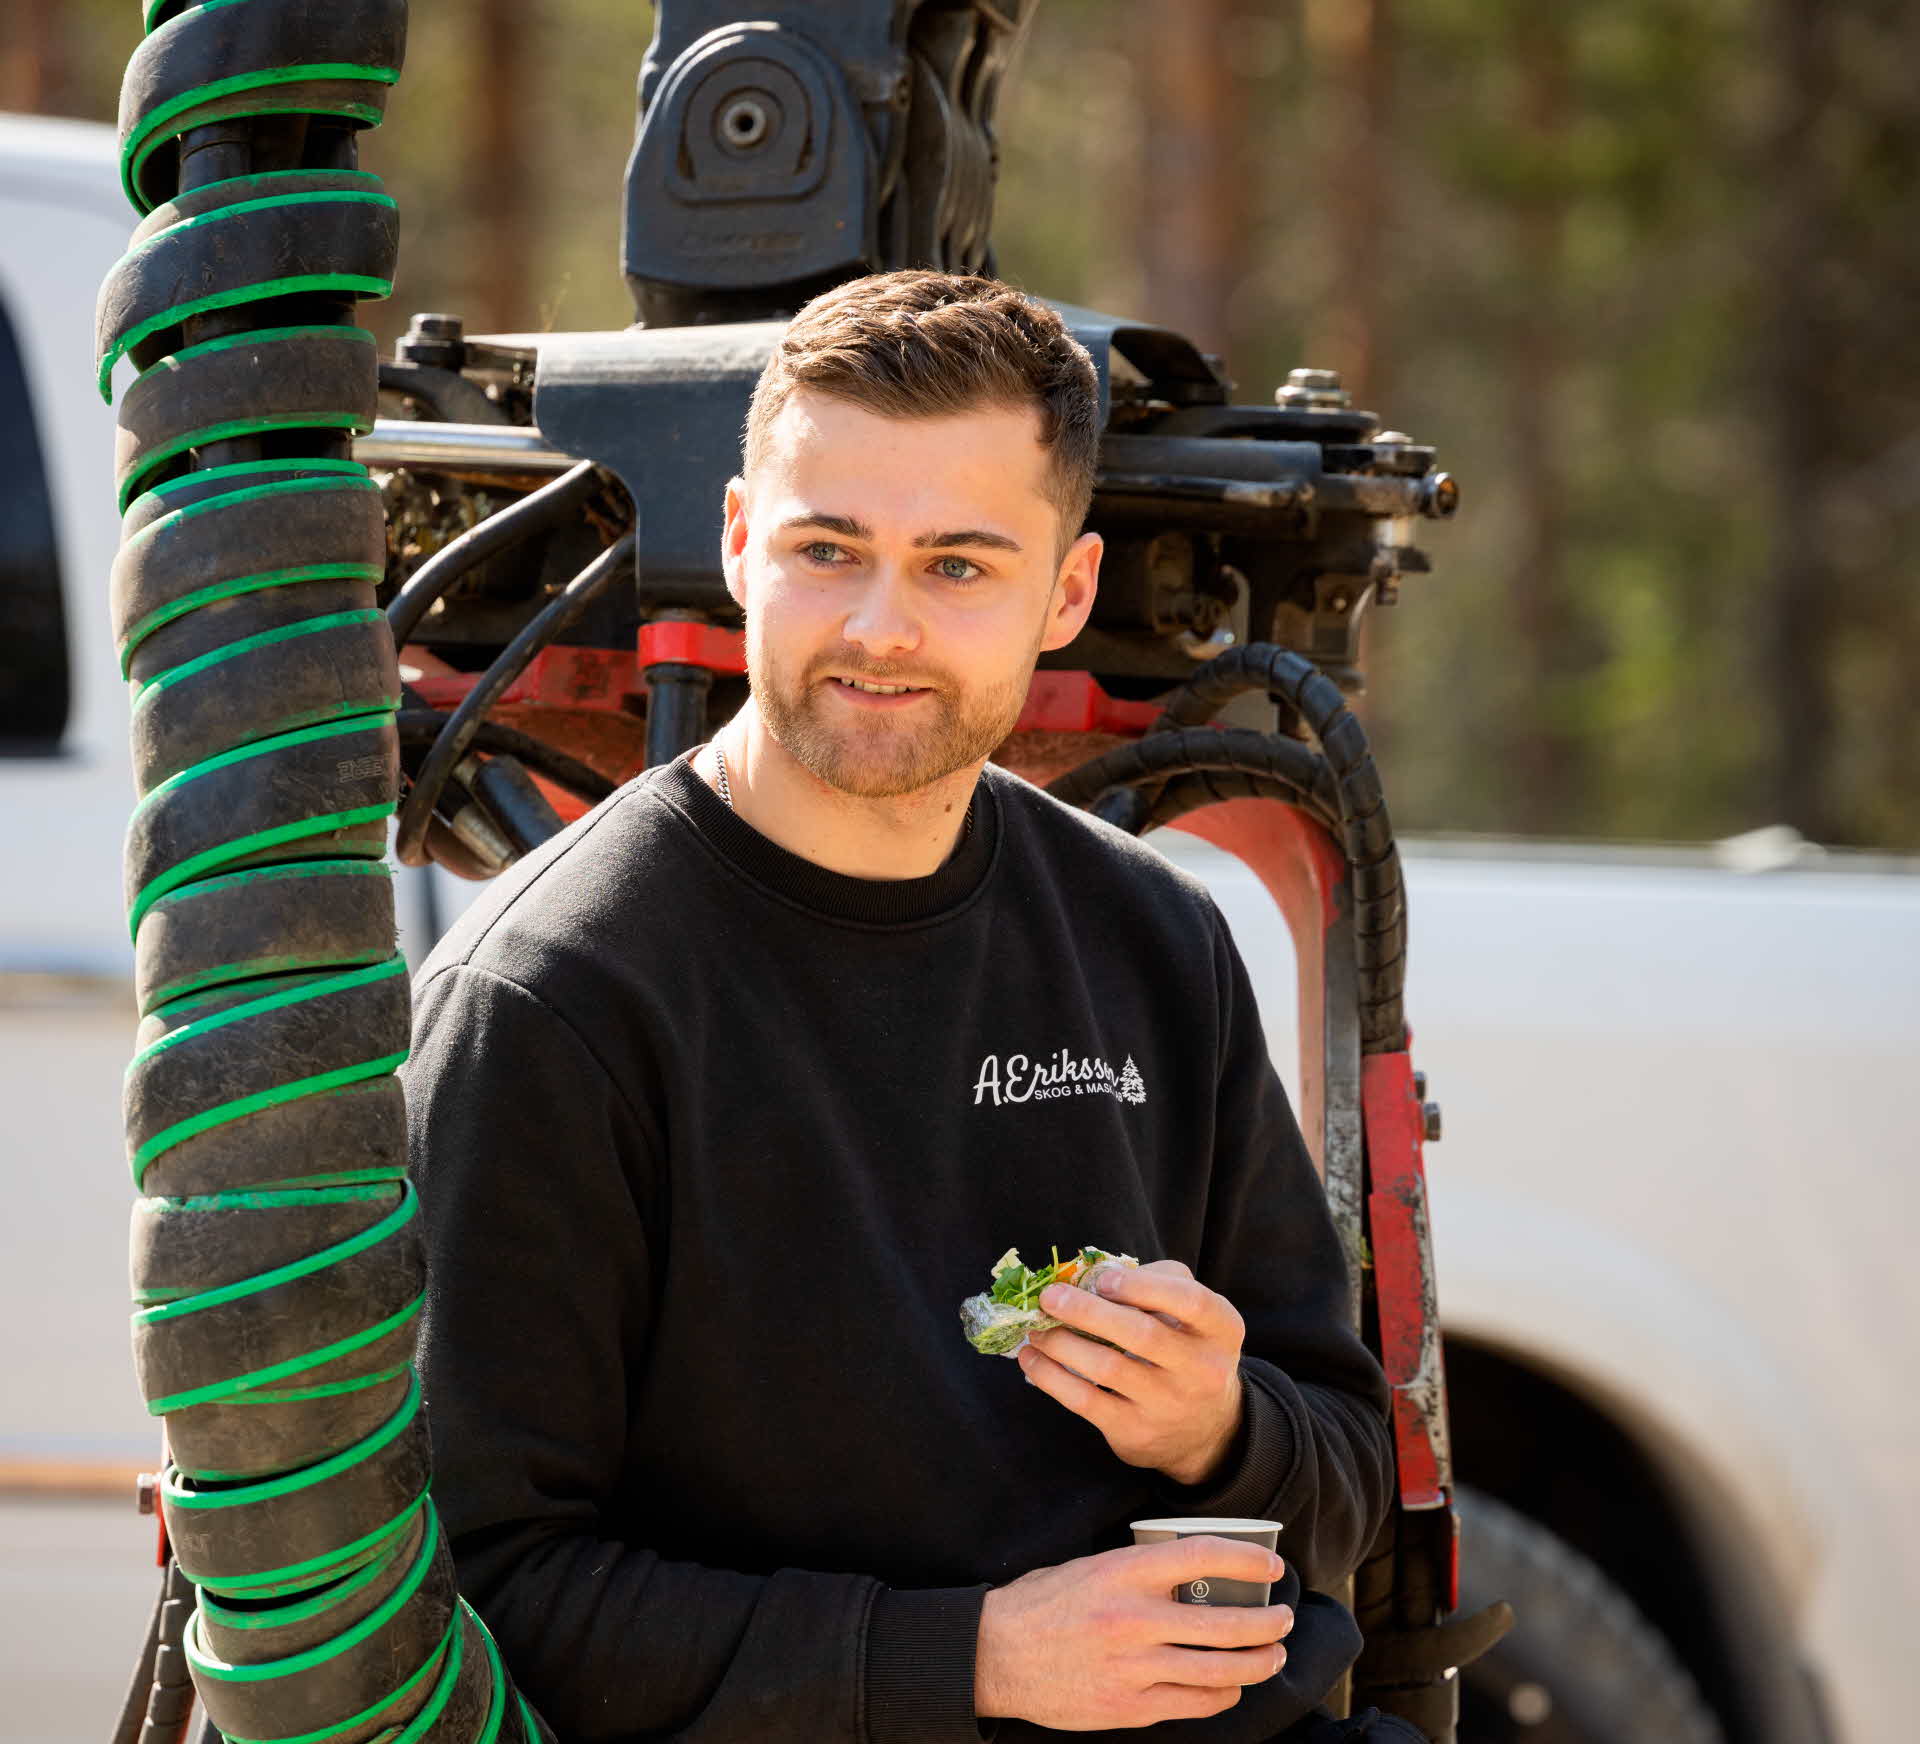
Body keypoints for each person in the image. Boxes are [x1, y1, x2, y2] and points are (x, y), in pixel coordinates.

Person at [401, 270, 1415, 1742]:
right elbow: (485, 1597)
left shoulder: (1157, 944)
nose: (881, 628)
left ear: (1065, 591)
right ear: (739, 544)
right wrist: (976, 1661)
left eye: (958, 566)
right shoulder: (552, 1000)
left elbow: (1344, 1479)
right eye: (829, 549)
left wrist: (1221, 1428)